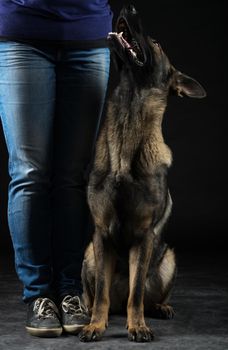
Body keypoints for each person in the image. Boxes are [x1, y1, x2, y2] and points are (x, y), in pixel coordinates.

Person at [0, 0, 112, 338]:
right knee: (29, 174)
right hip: (23, 36)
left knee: (74, 177)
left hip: (89, 37)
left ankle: (69, 291)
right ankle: (38, 296)